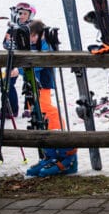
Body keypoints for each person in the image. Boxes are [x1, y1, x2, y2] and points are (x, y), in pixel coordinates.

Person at [25, 19, 77, 177]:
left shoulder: (45, 45)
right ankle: (49, 155)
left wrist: (23, 66)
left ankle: (59, 137)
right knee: (35, 111)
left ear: (40, 34)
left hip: (43, 83)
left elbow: (40, 63)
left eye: (33, 36)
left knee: (45, 108)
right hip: (31, 85)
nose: (31, 39)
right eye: (30, 36)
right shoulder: (32, 46)